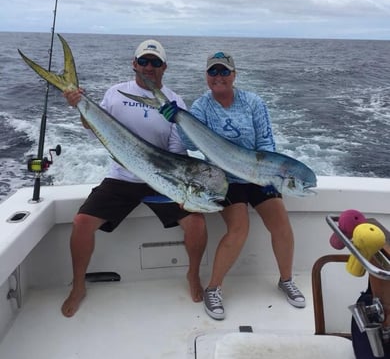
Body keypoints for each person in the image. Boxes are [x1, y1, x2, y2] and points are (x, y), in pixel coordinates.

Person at [61, 39, 207, 317]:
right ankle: (78, 285)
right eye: (143, 61)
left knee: (197, 222)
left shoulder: (174, 101)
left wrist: (185, 186)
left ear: (164, 67)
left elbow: (177, 150)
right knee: (81, 223)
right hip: (122, 177)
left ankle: (193, 275)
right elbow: (94, 126)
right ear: (134, 63)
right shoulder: (115, 93)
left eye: (155, 62)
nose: (148, 67)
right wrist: (78, 105)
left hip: (161, 178)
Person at [161, 51, 305, 320]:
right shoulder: (201, 107)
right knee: (239, 228)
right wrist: (178, 122)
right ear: (206, 77)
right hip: (224, 178)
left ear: (234, 75)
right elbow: (192, 145)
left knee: (281, 224)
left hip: (258, 173)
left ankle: (286, 279)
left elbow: (266, 144)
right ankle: (213, 289)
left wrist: (267, 174)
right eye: (213, 72)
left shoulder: (253, 102)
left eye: (224, 71)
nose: (218, 77)